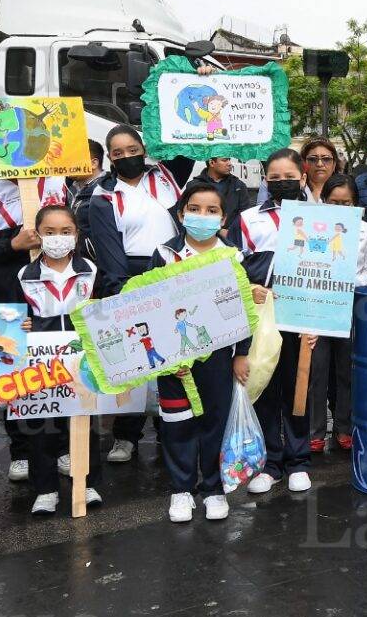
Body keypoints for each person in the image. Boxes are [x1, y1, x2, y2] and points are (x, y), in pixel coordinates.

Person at [81, 124, 183, 465]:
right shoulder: (103, 196)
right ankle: (126, 434)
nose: (127, 156)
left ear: (143, 148)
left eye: (133, 149)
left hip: (173, 269)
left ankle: (172, 427)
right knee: (137, 354)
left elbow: (188, 139)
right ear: (110, 158)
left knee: (173, 353)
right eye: (118, 152)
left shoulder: (167, 176)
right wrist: (122, 291)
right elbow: (109, 249)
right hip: (131, 273)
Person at [151, 181, 242, 522]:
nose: (202, 216)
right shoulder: (164, 254)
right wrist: (166, 355)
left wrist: (242, 354)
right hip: (173, 358)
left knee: (215, 420)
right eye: (195, 209)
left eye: (211, 210)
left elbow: (244, 310)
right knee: (177, 422)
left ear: (223, 219)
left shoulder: (234, 256)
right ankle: (181, 489)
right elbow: (149, 305)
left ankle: (214, 489)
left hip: (218, 356)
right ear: (181, 214)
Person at [236, 148, 317, 494]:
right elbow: (234, 266)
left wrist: (321, 319)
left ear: (303, 177)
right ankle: (270, 463)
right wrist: (250, 286)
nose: (282, 182)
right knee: (265, 384)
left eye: (289, 177)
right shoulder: (247, 218)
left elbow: (332, 270)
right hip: (263, 313)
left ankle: (299, 460)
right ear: (265, 180)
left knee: (299, 385)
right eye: (275, 178)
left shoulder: (321, 217)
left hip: (303, 313)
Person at [17, 205, 103, 515]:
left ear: (76, 234)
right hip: (42, 360)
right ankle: (45, 490)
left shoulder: (90, 269)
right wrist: (22, 324)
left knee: (84, 420)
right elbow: (13, 316)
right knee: (41, 426)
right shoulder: (25, 275)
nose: (58, 238)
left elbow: (103, 307)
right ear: (38, 235)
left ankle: (87, 481)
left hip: (81, 357)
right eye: (50, 232)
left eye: (65, 231)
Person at [0, 176, 49, 487]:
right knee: (14, 367)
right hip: (9, 289)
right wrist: (13, 244)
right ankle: (21, 450)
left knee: (56, 362)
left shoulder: (58, 180)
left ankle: (60, 447)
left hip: (55, 284)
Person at [308, 173, 367, 452]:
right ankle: (314, 431)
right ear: (323, 201)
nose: (339, 208)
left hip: (351, 307)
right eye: (333, 202)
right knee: (316, 371)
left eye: (346, 203)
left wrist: (346, 281)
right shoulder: (312, 227)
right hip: (316, 308)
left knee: (347, 371)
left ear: (356, 205)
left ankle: (344, 427)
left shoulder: (365, 231)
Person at [188, 153, 248, 243]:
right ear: (212, 163)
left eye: (229, 160)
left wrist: (231, 231)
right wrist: (217, 231)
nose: (229, 163)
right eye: (224, 160)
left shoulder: (238, 185)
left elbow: (245, 214)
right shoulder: (194, 186)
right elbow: (189, 215)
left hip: (232, 240)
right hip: (201, 240)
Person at [300, 138, 342, 203]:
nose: (319, 164)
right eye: (313, 159)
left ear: (334, 164)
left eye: (326, 159)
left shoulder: (344, 191)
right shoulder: (296, 189)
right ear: (304, 163)